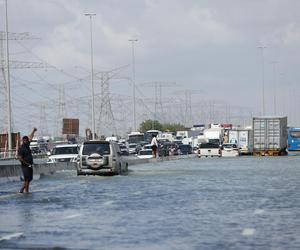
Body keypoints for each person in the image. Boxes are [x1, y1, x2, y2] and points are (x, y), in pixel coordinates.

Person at [17, 128, 37, 193]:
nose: (25, 141)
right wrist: (27, 163)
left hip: (30, 165)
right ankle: (22, 190)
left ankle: (26, 191)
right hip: (25, 166)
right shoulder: (21, 148)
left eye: (26, 140)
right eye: (24, 140)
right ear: (22, 141)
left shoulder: (27, 145)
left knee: (29, 179)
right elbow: (20, 158)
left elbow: (30, 137)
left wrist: (33, 131)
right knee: (27, 179)